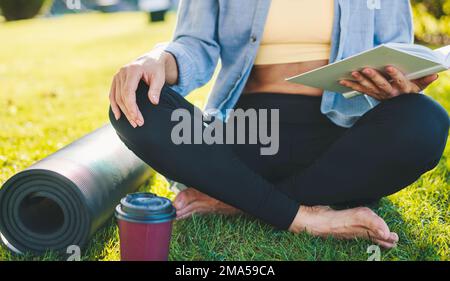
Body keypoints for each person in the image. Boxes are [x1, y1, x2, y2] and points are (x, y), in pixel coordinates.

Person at [108, 0, 449, 249]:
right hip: (244, 134)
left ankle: (231, 198)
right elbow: (195, 44)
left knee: (427, 121)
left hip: (336, 141)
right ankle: (306, 216)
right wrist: (154, 61)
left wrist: (398, 86)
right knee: (132, 98)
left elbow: (396, 50)